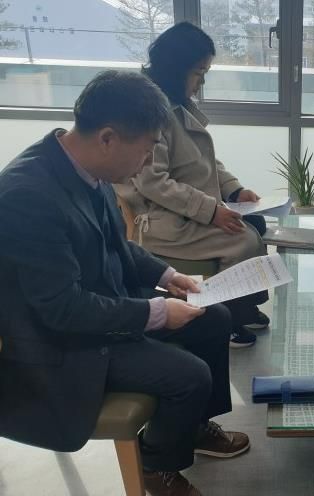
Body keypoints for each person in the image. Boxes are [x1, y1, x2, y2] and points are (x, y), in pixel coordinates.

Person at [0, 71, 249, 496]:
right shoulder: (28, 196)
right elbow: (63, 309)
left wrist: (169, 276)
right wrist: (157, 312)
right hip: (61, 343)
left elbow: (118, 245)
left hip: (102, 308)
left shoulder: (84, 167)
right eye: (148, 147)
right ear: (108, 138)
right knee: (189, 376)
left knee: (214, 317)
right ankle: (156, 466)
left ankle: (190, 428)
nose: (149, 162)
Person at [117, 22, 268, 348]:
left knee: (255, 222)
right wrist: (212, 212)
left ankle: (244, 305)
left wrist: (234, 190)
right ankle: (227, 319)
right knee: (241, 241)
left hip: (186, 209)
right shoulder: (148, 111)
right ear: (176, 68)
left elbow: (204, 160)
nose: (202, 81)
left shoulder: (178, 103)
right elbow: (153, 182)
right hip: (159, 218)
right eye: (199, 72)